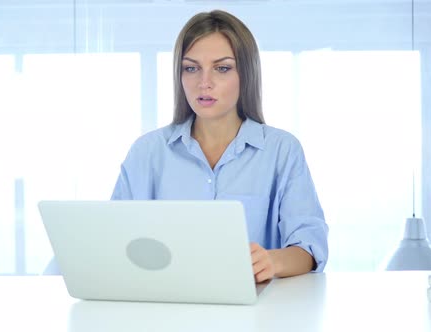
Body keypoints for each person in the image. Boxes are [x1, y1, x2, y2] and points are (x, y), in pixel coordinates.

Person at [111, 9, 328, 283]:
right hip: (165, 309)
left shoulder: (281, 150)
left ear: (246, 74)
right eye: (191, 68)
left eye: (222, 68)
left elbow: (309, 247)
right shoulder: (147, 152)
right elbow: (116, 243)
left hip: (258, 315)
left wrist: (271, 261)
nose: (204, 83)